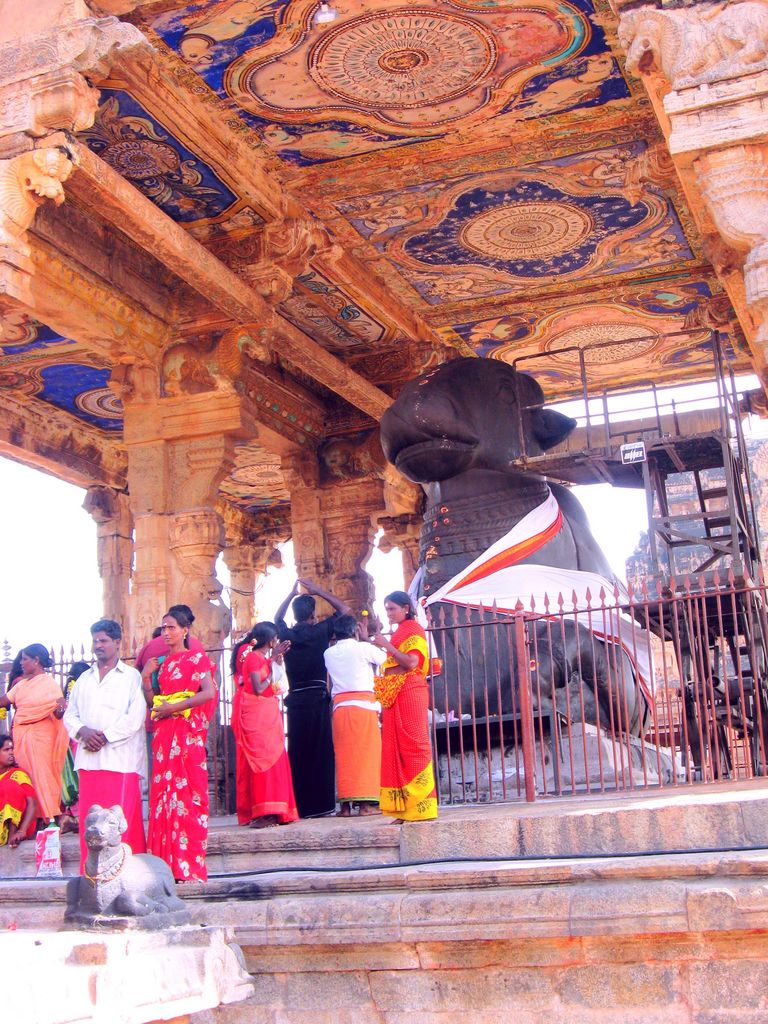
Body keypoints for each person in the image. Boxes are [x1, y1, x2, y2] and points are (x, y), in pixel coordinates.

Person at [63, 620, 147, 870]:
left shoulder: (130, 677)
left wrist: (106, 736)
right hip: (90, 762)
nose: (98, 646)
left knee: (120, 822)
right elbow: (70, 715)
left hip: (120, 761)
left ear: (117, 643)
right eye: (95, 641)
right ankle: (90, 877)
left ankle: (128, 875)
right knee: (91, 824)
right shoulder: (83, 680)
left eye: (103, 641)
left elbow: (135, 717)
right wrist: (84, 732)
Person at [141, 607, 216, 882]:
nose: (166, 633)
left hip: (186, 732)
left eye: (171, 627)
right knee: (163, 797)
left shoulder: (197, 658)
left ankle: (188, 865)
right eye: (163, 628)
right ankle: (164, 868)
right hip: (164, 734)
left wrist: (178, 706)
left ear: (185, 630)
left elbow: (208, 692)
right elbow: (152, 703)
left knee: (189, 795)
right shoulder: (161, 663)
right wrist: (146, 678)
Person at [275, 578, 351, 818]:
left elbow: (277, 618)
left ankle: (301, 806)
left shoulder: (287, 634)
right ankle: (322, 806)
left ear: (296, 615)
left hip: (295, 699)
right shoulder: (320, 631)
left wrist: (289, 594)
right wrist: (319, 590)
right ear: (313, 615)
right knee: (321, 751)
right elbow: (346, 611)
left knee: (298, 752)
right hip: (317, 696)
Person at [371, 592, 438, 823]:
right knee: (396, 748)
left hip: (409, 692)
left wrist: (385, 643)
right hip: (395, 694)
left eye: (392, 609)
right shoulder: (400, 631)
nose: (389, 613)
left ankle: (421, 806)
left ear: (406, 608)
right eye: (387, 609)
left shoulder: (414, 629)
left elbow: (411, 663)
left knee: (414, 746)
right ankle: (404, 809)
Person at [231, 621, 297, 828]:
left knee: (275, 759)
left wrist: (274, 662)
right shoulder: (252, 657)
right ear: (270, 640)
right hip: (256, 714)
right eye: (275, 639)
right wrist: (271, 664)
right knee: (262, 762)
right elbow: (258, 688)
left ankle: (277, 811)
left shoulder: (264, 658)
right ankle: (264, 812)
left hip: (267, 713)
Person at [324, 614, 385, 817]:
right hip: (363, 707)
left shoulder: (328, 653)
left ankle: (345, 807)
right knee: (367, 756)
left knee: (344, 757)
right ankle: (367, 805)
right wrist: (367, 638)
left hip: (341, 709)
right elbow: (386, 659)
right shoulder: (363, 648)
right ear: (355, 631)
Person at [0, 643, 68, 823]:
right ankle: (32, 820)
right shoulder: (21, 685)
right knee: (26, 775)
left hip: (42, 737)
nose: (21, 663)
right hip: (21, 736)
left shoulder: (50, 685)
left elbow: (58, 713)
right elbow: (3, 701)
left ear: (36, 661)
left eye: (25, 659)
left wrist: (61, 708)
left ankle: (51, 817)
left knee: (43, 776)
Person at [60, 660, 91, 834]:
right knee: (79, 778)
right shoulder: (80, 690)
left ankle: (73, 816)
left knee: (74, 778)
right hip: (79, 741)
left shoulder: (69, 691)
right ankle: (78, 817)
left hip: (71, 740)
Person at [0, 735, 37, 847]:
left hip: (19, 828)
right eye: (6, 750)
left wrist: (22, 831)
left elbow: (33, 803)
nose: (11, 753)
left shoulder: (18, 774)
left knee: (9, 785)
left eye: (12, 749)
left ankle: (12, 833)